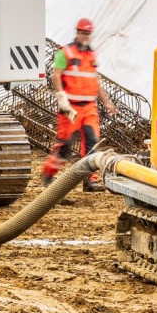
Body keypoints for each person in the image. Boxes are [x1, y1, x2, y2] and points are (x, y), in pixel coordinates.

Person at [42, 17, 115, 190]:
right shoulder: (65, 52)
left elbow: (95, 80)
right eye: (82, 33)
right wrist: (61, 97)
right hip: (71, 108)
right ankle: (48, 173)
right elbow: (56, 75)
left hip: (89, 107)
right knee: (66, 144)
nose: (84, 36)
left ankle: (90, 180)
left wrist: (106, 102)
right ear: (77, 33)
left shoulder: (91, 55)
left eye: (87, 33)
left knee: (92, 144)